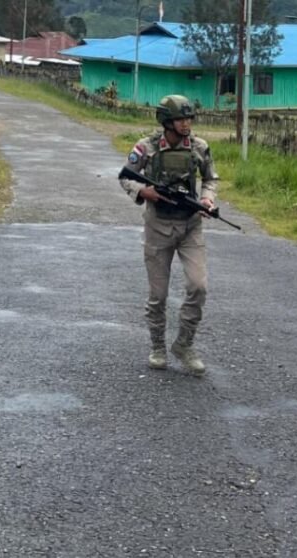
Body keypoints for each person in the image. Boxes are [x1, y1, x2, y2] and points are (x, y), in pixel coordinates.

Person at [118, 94, 219, 376]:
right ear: (166, 121)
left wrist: (208, 200)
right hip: (158, 228)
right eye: (181, 119)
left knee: (199, 286)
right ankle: (158, 347)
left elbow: (211, 178)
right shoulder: (145, 148)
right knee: (158, 295)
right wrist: (143, 192)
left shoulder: (199, 147)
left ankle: (184, 344)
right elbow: (125, 176)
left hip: (190, 227)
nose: (187, 124)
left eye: (189, 119)